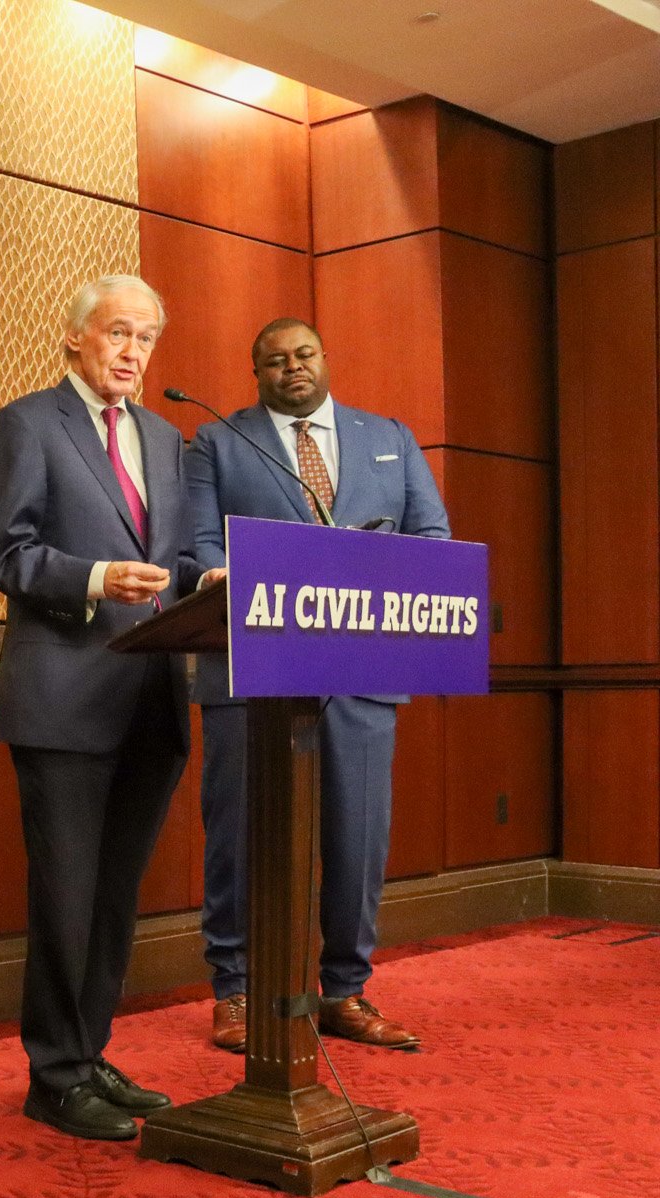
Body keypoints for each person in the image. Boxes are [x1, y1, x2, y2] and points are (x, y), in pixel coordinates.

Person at [0, 273, 201, 1143]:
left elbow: (170, 561)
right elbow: (8, 551)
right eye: (118, 333)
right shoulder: (28, 423)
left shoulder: (165, 437)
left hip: (148, 698)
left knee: (113, 897)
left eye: (146, 337)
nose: (133, 353)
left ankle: (90, 1048)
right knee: (66, 895)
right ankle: (54, 1074)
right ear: (74, 337)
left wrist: (202, 581)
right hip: (64, 696)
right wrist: (94, 578)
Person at [186, 317, 450, 1054]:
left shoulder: (389, 436)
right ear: (257, 374)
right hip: (252, 669)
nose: (291, 368)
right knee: (238, 834)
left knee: (358, 833)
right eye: (274, 361)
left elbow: (432, 539)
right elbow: (197, 544)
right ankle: (234, 990)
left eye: (303, 355)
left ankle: (345, 991)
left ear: (326, 360)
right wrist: (216, 572)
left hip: (363, 668)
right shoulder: (217, 440)